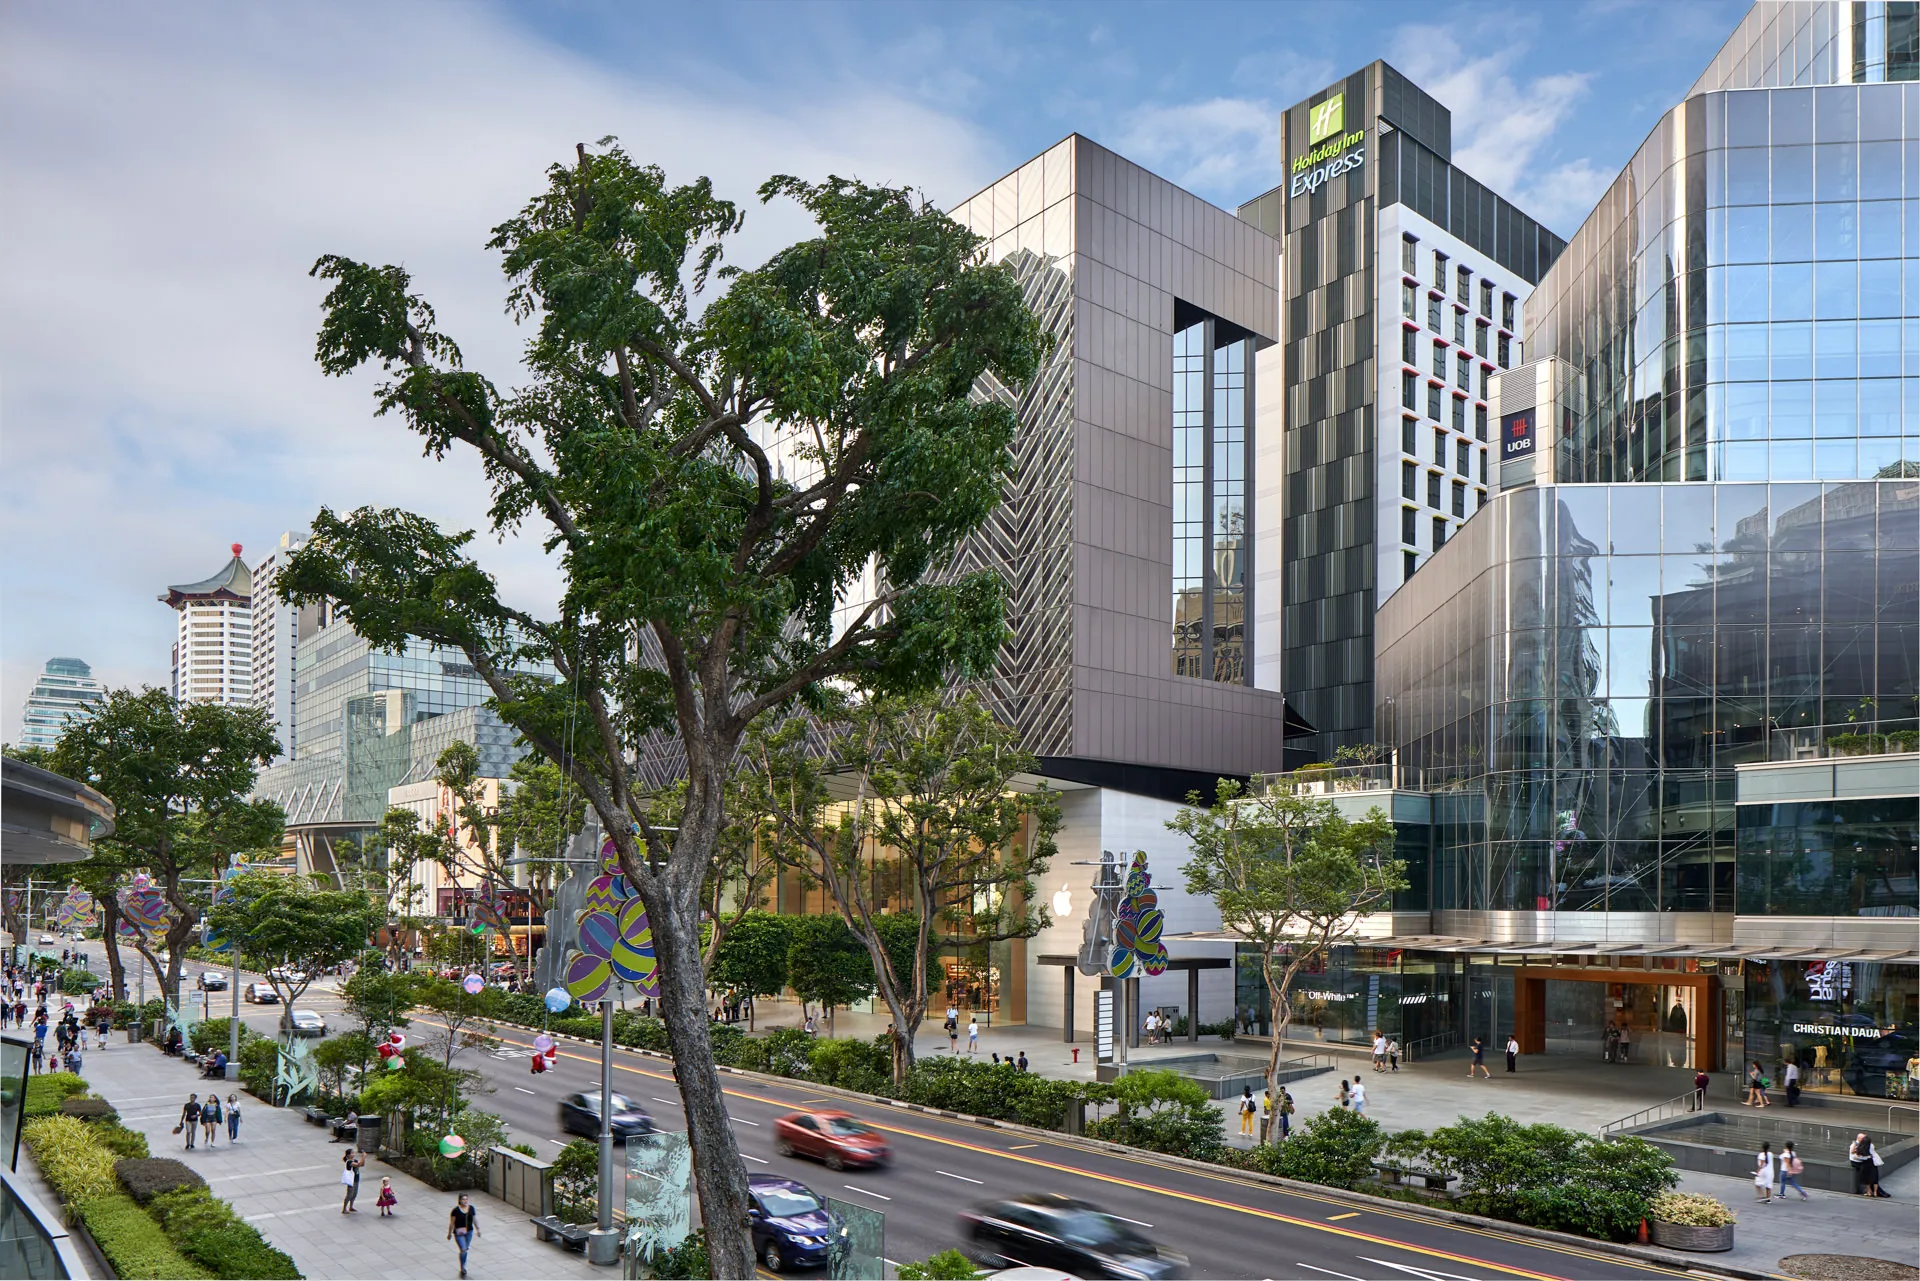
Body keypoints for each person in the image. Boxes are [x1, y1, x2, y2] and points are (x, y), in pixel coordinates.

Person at [448, 1193, 479, 1277]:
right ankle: (463, 1267)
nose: (465, 1201)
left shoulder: (471, 1208)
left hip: (469, 1232)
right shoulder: (456, 1211)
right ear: (459, 1200)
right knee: (463, 1249)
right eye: (463, 1199)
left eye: (466, 1199)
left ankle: (463, 1262)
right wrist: (449, 1233)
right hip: (459, 1233)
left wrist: (478, 1229)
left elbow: (474, 1219)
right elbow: (452, 1223)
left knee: (466, 1248)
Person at [1849, 1133, 1886, 1198]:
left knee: (1868, 1177)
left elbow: (1856, 1155)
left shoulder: (1863, 1145)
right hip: (1863, 1162)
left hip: (1865, 1162)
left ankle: (1870, 1191)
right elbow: (1854, 1156)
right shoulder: (1858, 1145)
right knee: (1871, 1177)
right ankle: (1874, 1192)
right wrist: (1868, 1157)